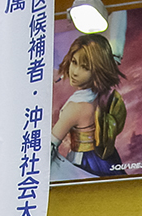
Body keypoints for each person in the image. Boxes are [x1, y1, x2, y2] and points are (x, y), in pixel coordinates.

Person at [52, 34, 127, 177]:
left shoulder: (76, 107)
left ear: (98, 70)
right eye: (74, 62)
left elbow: (49, 146)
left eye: (85, 67)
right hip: (107, 160)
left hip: (85, 164)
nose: (75, 72)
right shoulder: (101, 94)